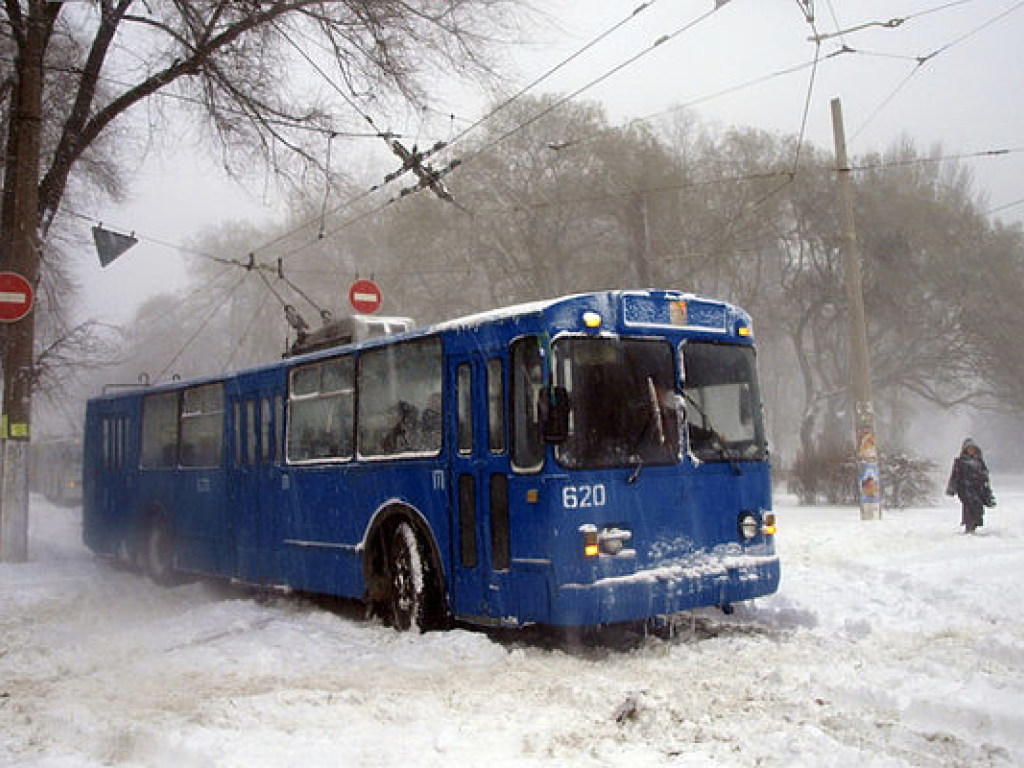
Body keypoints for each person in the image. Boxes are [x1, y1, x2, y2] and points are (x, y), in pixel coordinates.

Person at [946, 438, 996, 534]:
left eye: (973, 449)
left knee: (978, 507)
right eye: (969, 449)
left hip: (978, 489)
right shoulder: (960, 462)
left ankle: (974, 524)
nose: (971, 451)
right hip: (965, 489)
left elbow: (984, 476)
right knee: (969, 507)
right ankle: (969, 527)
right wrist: (952, 488)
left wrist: (987, 490)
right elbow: (955, 476)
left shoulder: (979, 462)